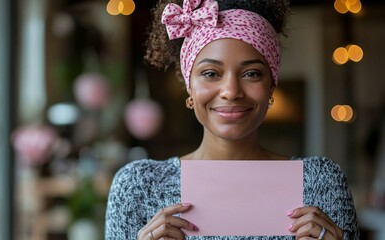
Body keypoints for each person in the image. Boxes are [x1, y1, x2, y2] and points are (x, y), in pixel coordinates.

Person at [105, 0, 359, 239]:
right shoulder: (137, 186)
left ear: (272, 85)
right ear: (189, 87)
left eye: (251, 73)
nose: (231, 91)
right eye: (211, 73)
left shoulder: (319, 181)